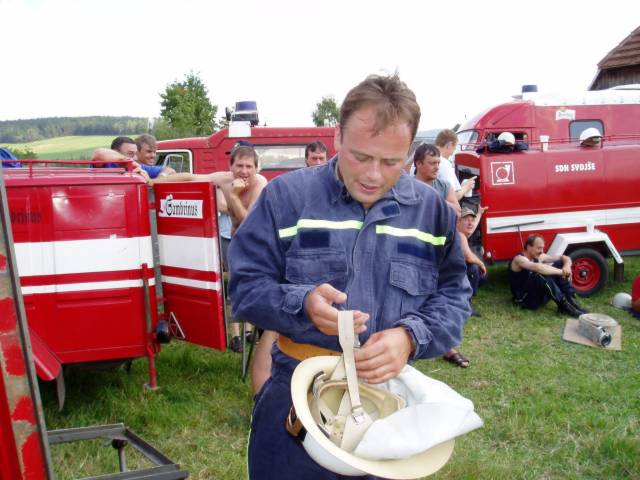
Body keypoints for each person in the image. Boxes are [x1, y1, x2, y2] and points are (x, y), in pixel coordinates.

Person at [228, 73, 471, 479]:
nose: (373, 175)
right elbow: (246, 287)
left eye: (391, 162)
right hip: (294, 398)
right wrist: (302, 304)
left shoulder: (432, 213)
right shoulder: (286, 199)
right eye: (360, 156)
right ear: (337, 137)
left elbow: (454, 297)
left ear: (410, 151)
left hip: (386, 407)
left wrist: (410, 337)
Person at [153, 144, 268, 353]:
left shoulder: (259, 183)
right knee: (235, 289)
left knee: (258, 291)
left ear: (256, 168)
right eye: (239, 165)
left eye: (249, 166)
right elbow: (190, 178)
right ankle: (238, 336)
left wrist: (234, 196)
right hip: (237, 244)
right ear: (230, 166)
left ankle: (263, 338)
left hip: (259, 245)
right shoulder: (224, 179)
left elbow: (248, 223)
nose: (244, 171)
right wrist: (153, 182)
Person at [509, 233, 587, 317]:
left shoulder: (539, 256)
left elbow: (564, 258)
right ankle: (565, 306)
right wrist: (562, 272)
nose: (542, 251)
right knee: (540, 274)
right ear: (528, 247)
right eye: (539, 248)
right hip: (525, 299)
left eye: (542, 248)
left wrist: (566, 267)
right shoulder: (519, 259)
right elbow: (538, 267)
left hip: (538, 296)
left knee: (560, 263)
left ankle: (571, 301)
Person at [413, 142, 461, 216]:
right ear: (418, 164)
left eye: (438, 163)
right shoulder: (407, 186)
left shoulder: (445, 186)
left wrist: (435, 199)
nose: (437, 167)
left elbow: (458, 213)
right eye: (432, 163)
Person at [458, 207, 488, 315]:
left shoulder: (461, 232)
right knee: (473, 268)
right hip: (447, 274)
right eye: (466, 220)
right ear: (458, 221)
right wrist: (481, 264)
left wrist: (479, 213)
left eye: (472, 219)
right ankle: (466, 304)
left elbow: (472, 226)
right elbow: (468, 257)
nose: (470, 223)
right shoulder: (460, 235)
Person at [435, 129, 474, 201]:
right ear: (449, 145)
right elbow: (452, 198)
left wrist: (461, 187)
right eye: (454, 148)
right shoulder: (444, 163)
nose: (452, 153)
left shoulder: (423, 158)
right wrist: (466, 187)